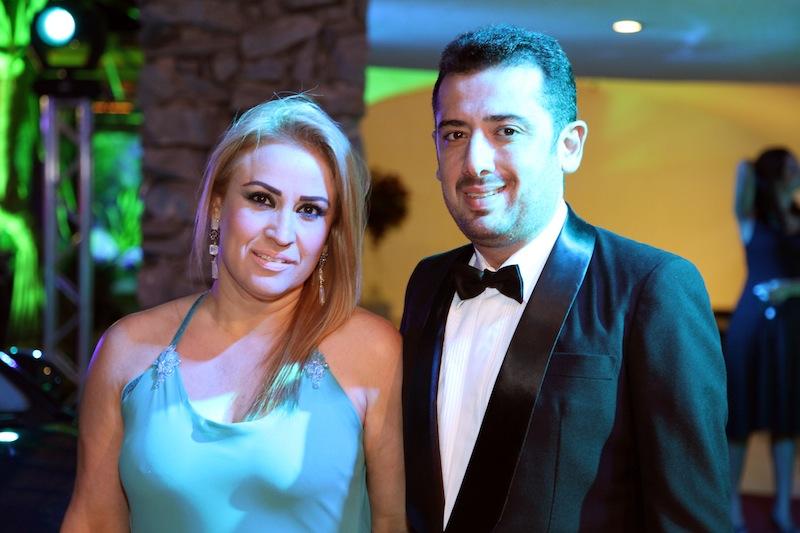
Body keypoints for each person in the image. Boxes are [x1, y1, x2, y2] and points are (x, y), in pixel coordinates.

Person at [400, 25, 730, 532]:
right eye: (455, 134)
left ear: (569, 146)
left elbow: (691, 518)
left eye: (506, 131)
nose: (475, 162)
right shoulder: (427, 282)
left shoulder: (653, 288)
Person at [61, 95, 406, 532]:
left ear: (329, 232)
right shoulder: (127, 350)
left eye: (309, 210)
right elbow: (92, 520)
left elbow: (392, 522)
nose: (282, 233)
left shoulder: (373, 351)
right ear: (218, 205)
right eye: (262, 199)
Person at [726, 148, 800, 533]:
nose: (797, 170)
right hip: (752, 326)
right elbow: (743, 176)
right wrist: (753, 167)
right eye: (789, 166)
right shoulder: (752, 217)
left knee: (787, 421)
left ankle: (782, 509)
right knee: (740, 419)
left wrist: (791, 288)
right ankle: (732, 508)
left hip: (790, 329)